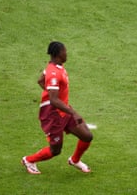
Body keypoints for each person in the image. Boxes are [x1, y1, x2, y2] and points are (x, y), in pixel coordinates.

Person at [21, 41, 93, 174]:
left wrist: (53, 94)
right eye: (65, 51)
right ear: (58, 53)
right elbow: (54, 100)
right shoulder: (53, 73)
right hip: (52, 114)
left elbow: (40, 80)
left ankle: (75, 160)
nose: (67, 53)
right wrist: (73, 112)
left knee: (87, 136)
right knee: (55, 150)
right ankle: (29, 160)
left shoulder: (56, 66)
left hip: (63, 109)